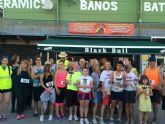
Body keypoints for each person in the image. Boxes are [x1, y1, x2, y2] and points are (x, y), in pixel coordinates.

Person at [145, 55, 161, 124]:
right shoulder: (146, 69)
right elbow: (143, 79)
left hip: (155, 89)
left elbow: (161, 81)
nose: (151, 63)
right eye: (150, 62)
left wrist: (154, 87)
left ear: (154, 62)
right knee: (146, 105)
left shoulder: (158, 70)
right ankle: (145, 118)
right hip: (147, 89)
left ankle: (154, 118)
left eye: (152, 62)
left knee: (155, 105)